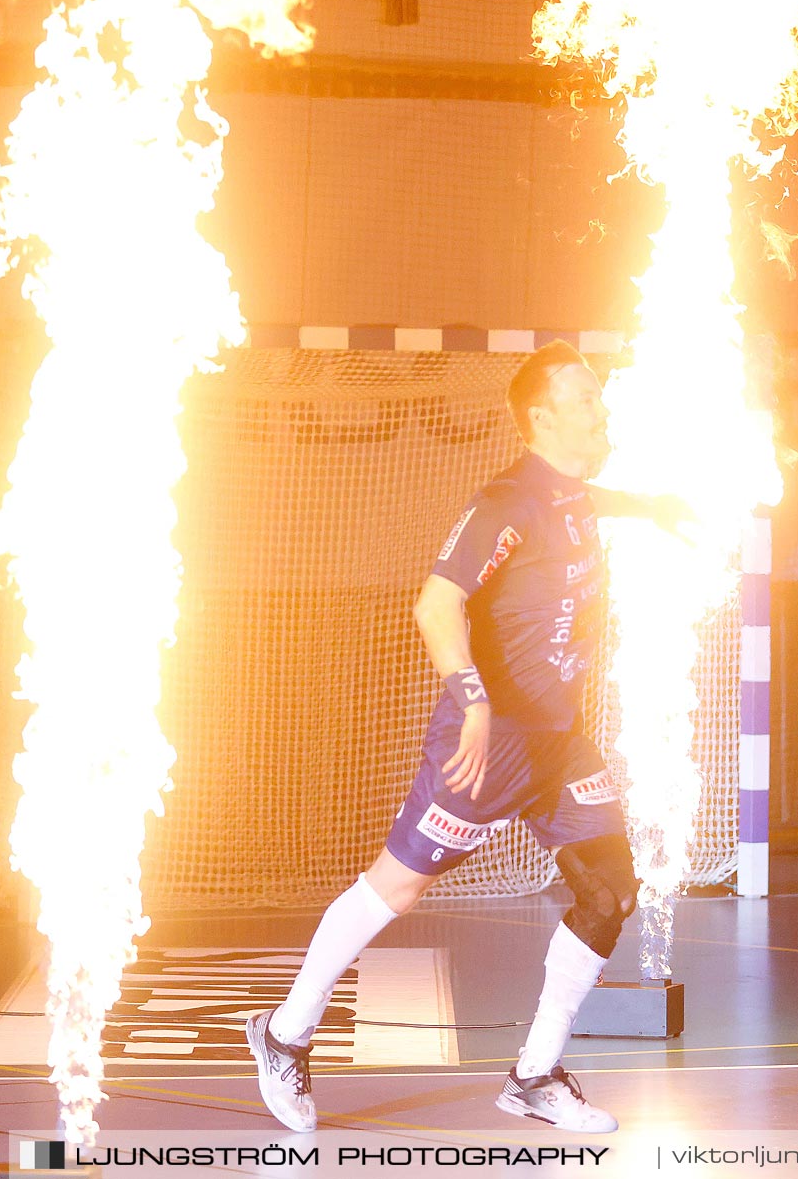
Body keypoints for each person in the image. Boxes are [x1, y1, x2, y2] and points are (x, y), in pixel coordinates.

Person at [247, 340, 673, 1134]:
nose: (601, 407)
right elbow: (436, 604)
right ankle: (282, 1034)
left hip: (557, 742)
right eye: (585, 398)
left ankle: (534, 1076)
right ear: (542, 418)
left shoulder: (573, 497)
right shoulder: (505, 502)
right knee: (397, 889)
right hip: (488, 742)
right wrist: (472, 700)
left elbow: (590, 506)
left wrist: (658, 509)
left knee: (610, 890)